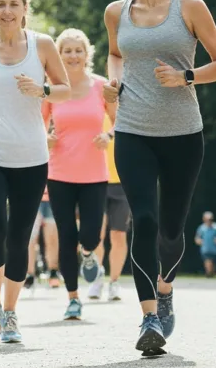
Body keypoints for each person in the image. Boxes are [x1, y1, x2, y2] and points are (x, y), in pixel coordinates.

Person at [103, 0, 216, 354]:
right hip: (133, 130)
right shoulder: (115, 12)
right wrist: (114, 81)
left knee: (173, 229)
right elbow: (116, 54)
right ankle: (148, 317)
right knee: (144, 219)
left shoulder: (190, 7)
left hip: (182, 133)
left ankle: (166, 287)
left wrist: (186, 76)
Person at [0, 0, 70, 343]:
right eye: (0, 4)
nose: (7, 11)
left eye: (14, 4)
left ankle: (10, 313)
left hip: (30, 155)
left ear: (25, 8)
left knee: (20, 235)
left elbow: (65, 88)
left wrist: (41, 90)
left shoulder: (42, 45)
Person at [42, 28, 115, 320]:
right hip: (58, 173)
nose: (73, 55)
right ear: (59, 56)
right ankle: (73, 298)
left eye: (78, 50)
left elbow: (119, 121)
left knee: (90, 235)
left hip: (95, 173)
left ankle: (89, 254)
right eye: (67, 51)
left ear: (87, 54)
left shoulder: (100, 86)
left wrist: (108, 136)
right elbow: (37, 122)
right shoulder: (51, 88)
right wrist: (43, 137)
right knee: (66, 236)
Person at [89, 114, 130, 302]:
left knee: (118, 234)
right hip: (95, 177)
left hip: (123, 181)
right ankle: (97, 279)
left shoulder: (128, 107)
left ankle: (114, 281)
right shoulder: (95, 105)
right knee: (96, 234)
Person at [25, 188, 60, 289]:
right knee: (30, 239)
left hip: (52, 196)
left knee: (52, 240)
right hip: (33, 197)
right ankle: (29, 274)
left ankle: (53, 271)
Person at [194, 212, 216, 277]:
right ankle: (208, 273)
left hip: (215, 249)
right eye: (207, 219)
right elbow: (197, 238)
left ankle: (211, 273)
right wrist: (199, 241)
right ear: (204, 219)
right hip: (205, 249)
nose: (209, 221)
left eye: (210, 219)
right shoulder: (201, 228)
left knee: (213, 265)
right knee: (207, 261)